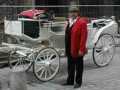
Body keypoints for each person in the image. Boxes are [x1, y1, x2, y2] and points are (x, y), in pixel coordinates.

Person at [63, 6, 88, 88]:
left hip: (77, 48)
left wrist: (81, 49)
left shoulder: (82, 22)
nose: (72, 13)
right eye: (71, 12)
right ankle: (70, 81)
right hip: (69, 47)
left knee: (79, 66)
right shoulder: (69, 21)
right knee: (70, 65)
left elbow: (83, 37)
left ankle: (78, 82)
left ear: (77, 13)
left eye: (74, 12)